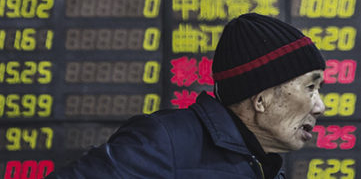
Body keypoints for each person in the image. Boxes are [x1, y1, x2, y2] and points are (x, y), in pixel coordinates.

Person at [46, 12, 326, 178]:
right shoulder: (166, 141)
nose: (319, 107)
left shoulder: (266, 166)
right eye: (311, 87)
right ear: (261, 99)